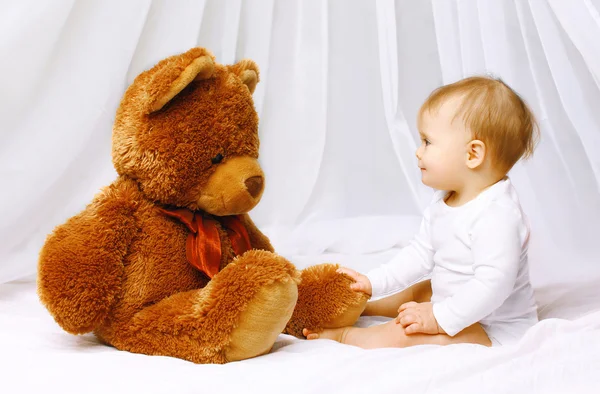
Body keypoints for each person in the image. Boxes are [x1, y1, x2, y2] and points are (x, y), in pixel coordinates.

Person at [304, 76, 539, 348]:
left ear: (472, 154)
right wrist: (373, 282)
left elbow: (493, 285)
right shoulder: (445, 201)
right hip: (455, 301)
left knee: (411, 330)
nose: (418, 152)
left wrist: (439, 317)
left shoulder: (497, 216)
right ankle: (364, 306)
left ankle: (347, 336)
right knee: (420, 290)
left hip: (494, 326)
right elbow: (419, 254)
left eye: (428, 142)